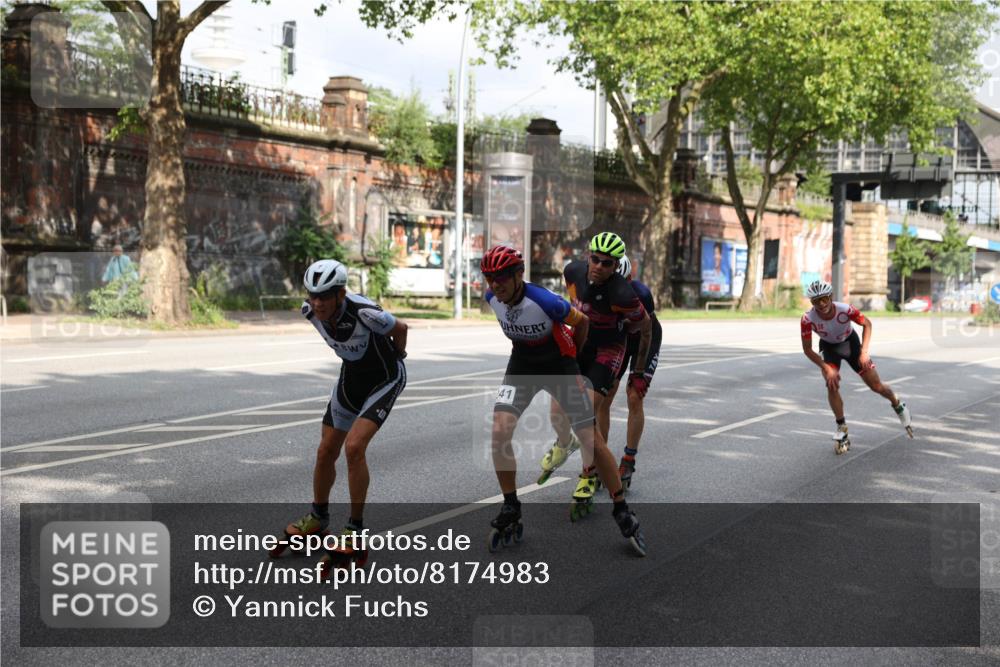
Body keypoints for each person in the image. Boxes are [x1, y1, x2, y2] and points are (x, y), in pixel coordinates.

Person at [481, 244, 646, 556]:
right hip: (523, 366)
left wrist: (575, 358)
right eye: (489, 279)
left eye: (501, 278)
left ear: (519, 275)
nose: (494, 285)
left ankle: (621, 508)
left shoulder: (545, 301)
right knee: (499, 431)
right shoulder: (492, 299)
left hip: (560, 365)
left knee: (591, 439)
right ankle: (511, 506)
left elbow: (581, 322)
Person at [277, 259, 409, 568]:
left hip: (385, 379)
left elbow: (401, 329)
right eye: (313, 295)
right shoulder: (310, 312)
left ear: (341, 294)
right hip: (351, 380)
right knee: (325, 451)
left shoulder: (365, 312)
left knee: (353, 448)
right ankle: (319, 516)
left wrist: (398, 356)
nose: (318, 303)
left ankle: (355, 527)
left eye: (325, 295)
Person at [541, 232, 653, 512]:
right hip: (584, 342)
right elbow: (576, 312)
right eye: (595, 259)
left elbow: (646, 328)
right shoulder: (572, 273)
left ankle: (590, 474)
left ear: (616, 266)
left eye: (607, 263)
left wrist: (638, 371)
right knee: (557, 409)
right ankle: (565, 443)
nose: (599, 266)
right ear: (587, 256)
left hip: (610, 350)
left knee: (586, 414)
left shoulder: (623, 294)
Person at [800, 280, 912, 454]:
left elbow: (867, 324)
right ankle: (841, 427)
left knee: (876, 386)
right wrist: (825, 367)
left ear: (830, 297)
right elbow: (807, 350)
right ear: (811, 302)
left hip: (851, 345)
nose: (821, 304)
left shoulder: (845, 310)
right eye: (816, 301)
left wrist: (864, 352)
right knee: (831, 383)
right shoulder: (807, 319)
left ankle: (897, 403)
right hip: (829, 348)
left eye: (824, 299)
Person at [606, 255, 662, 490]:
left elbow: (646, 334)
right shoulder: (600, 288)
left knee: (634, 396)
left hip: (644, 341)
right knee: (604, 394)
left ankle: (628, 459)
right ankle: (601, 456)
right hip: (620, 339)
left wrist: (638, 373)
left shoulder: (641, 294)